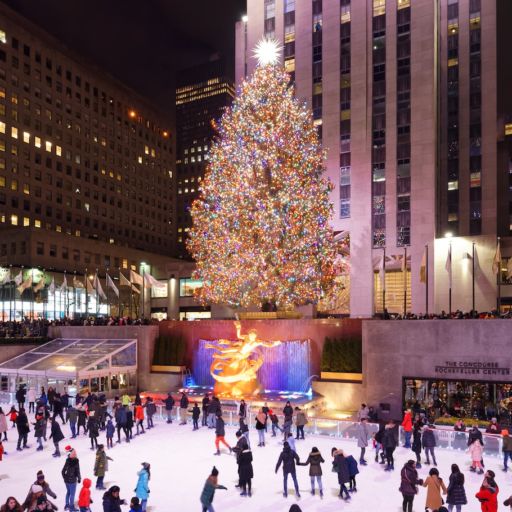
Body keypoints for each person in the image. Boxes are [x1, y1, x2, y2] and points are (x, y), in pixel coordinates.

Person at [62, 445, 81, 511]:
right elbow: (78, 470)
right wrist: (79, 478)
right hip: (72, 481)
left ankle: (67, 505)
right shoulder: (76, 461)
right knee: (72, 494)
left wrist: (65, 478)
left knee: (68, 492)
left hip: (67, 480)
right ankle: (71, 507)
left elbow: (63, 471)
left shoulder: (67, 460)